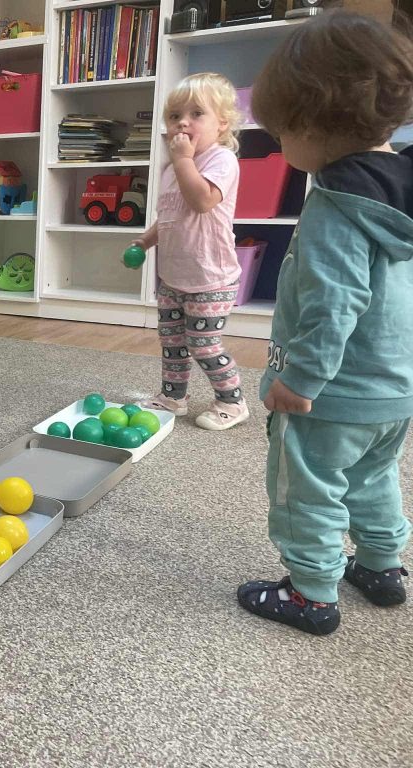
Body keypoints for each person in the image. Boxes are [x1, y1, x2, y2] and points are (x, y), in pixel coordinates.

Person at [237, 11, 413, 635]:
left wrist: (302, 379)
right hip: (394, 389)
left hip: (330, 393)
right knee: (373, 475)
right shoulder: (399, 192)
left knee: (305, 486)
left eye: (282, 133)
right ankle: (382, 566)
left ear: (313, 126)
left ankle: (311, 594)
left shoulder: (336, 207)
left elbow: (335, 302)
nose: (281, 147)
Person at [130, 73, 249, 431]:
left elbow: (201, 202)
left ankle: (233, 401)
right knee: (172, 343)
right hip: (172, 276)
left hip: (211, 277)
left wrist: (183, 160)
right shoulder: (171, 170)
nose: (182, 122)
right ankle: (173, 397)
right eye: (174, 116)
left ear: (222, 123)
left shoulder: (221, 160)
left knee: (203, 344)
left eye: (196, 114)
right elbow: (170, 216)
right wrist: (145, 241)